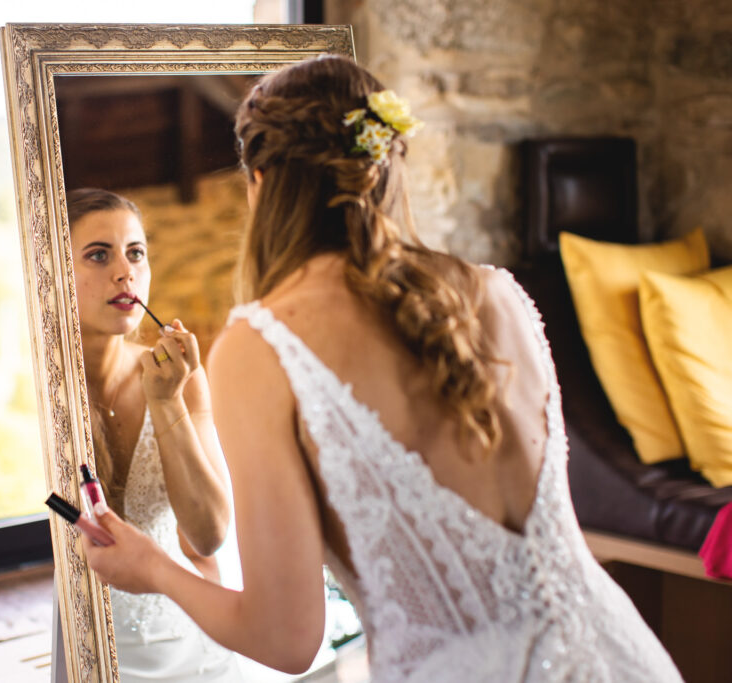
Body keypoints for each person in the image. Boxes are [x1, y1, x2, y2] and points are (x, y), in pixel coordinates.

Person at [81, 56, 684, 682]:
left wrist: (151, 568)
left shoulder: (262, 344)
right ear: (382, 160)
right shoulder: (497, 293)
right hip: (622, 654)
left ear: (261, 182)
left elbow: (283, 640)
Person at [67, 188, 242, 681]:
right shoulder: (45, 396)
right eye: (99, 255)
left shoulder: (176, 380)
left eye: (136, 253)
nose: (125, 272)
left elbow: (208, 536)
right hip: (82, 646)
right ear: (55, 272)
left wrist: (166, 402)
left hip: (183, 644)